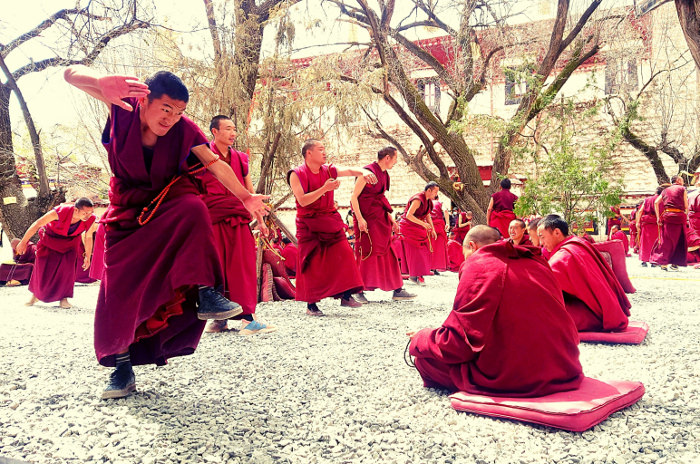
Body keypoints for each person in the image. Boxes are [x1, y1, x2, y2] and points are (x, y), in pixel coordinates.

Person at [64, 66, 269, 399]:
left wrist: (245, 196)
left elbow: (215, 163)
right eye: (166, 109)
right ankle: (122, 367)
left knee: (194, 207)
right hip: (126, 211)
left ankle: (206, 292)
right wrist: (100, 82)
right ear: (146, 100)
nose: (172, 118)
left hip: (167, 200)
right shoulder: (125, 106)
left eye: (179, 112)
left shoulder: (184, 129)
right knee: (118, 290)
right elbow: (70, 75)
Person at [407, 225, 583, 396]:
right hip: (565, 366)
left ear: (472, 246)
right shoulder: (536, 261)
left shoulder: (479, 264)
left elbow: (459, 345)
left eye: (465, 255)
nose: (465, 260)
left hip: (522, 377)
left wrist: (423, 337)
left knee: (425, 361)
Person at [200, 115, 275, 335]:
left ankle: (248, 318)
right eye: (228, 129)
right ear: (215, 131)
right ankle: (219, 319)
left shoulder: (241, 158)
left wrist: (260, 221)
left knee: (242, 267)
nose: (233, 133)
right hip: (212, 218)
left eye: (235, 129)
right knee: (217, 267)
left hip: (237, 217)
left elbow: (249, 192)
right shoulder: (202, 155)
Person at [287, 139, 374, 316]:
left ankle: (346, 294)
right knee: (311, 262)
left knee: (344, 253)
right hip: (308, 223)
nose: (324, 153)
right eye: (320, 149)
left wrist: (363, 171)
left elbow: (348, 170)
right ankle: (311, 304)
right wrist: (324, 189)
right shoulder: (296, 174)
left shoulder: (328, 170)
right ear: (309, 153)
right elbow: (303, 200)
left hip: (329, 219)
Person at [538, 214, 630, 332]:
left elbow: (544, 286)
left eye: (542, 237)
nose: (541, 243)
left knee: (540, 313)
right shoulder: (577, 243)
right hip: (604, 308)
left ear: (557, 232)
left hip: (593, 314)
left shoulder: (563, 256)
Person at [349, 146, 415, 303]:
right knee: (367, 252)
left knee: (388, 252)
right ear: (387, 158)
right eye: (395, 159)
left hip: (380, 219)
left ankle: (397, 289)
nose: (395, 162)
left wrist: (392, 220)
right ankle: (359, 290)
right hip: (367, 220)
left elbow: (380, 199)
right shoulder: (367, 173)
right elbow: (354, 197)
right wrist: (360, 219)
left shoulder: (384, 174)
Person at [17, 198, 96, 309]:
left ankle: (64, 298)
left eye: (91, 212)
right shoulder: (59, 212)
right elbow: (37, 224)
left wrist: (87, 256)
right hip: (50, 240)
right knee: (43, 268)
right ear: (76, 210)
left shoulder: (91, 219)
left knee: (67, 271)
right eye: (85, 213)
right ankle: (35, 296)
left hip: (70, 243)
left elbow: (88, 237)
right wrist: (23, 242)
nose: (88, 215)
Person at [398, 182, 440, 285]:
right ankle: (415, 275)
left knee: (422, 252)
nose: (436, 194)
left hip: (418, 227)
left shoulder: (428, 201)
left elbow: (427, 215)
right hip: (409, 227)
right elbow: (409, 215)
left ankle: (416, 274)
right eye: (435, 192)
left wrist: (432, 229)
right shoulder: (418, 199)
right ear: (429, 190)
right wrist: (423, 224)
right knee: (415, 253)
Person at [650, 175, 689, 270]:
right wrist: (685, 215)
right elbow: (686, 205)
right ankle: (675, 264)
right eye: (682, 180)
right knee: (680, 240)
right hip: (679, 217)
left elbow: (656, 202)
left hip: (667, 216)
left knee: (666, 240)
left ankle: (663, 263)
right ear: (679, 181)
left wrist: (658, 217)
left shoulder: (665, 190)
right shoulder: (682, 188)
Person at [637, 186, 664, 267]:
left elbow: (640, 211)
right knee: (655, 241)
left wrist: (638, 222)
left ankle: (644, 261)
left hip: (646, 222)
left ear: (655, 192)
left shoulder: (647, 199)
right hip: (656, 222)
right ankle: (654, 260)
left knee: (644, 241)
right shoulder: (661, 200)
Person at [429, 197, 450, 274]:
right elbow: (445, 211)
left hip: (430, 224)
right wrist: (447, 223)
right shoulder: (440, 202)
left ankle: (429, 266)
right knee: (439, 247)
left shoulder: (427, 202)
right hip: (439, 225)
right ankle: (435, 267)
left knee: (430, 245)